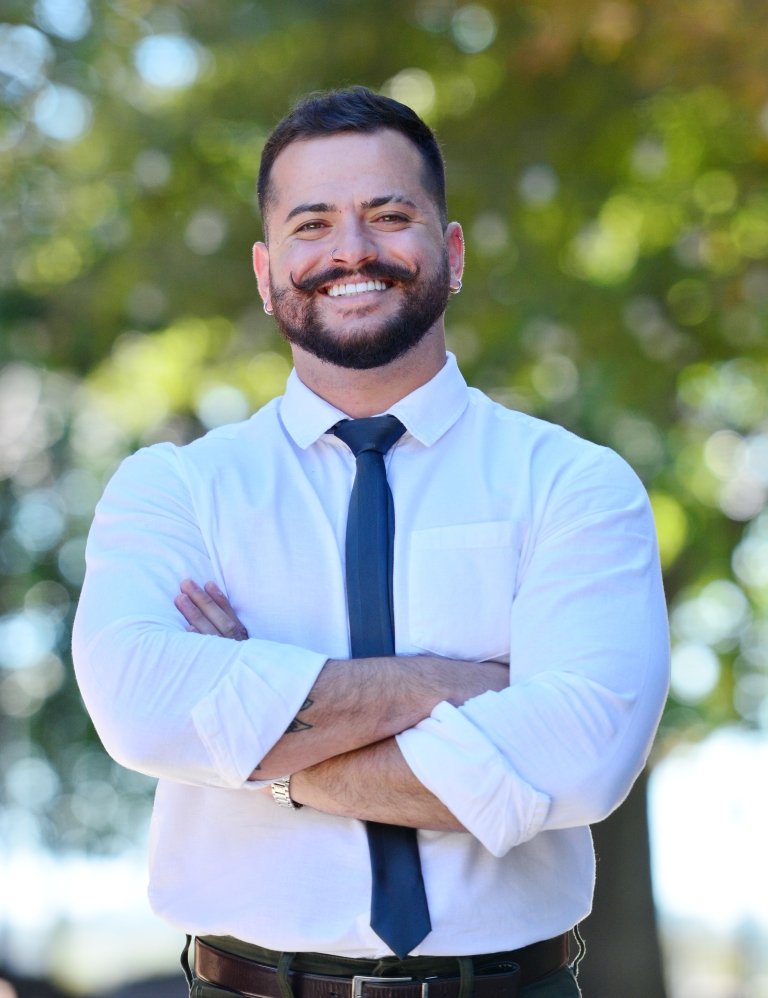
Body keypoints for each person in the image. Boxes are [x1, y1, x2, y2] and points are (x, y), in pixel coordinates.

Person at [72, 86, 670, 998]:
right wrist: (447, 687)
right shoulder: (177, 490)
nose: (352, 250)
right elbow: (140, 706)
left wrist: (262, 746)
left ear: (452, 252)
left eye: (389, 216)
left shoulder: (574, 485)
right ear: (268, 271)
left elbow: (583, 761)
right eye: (313, 224)